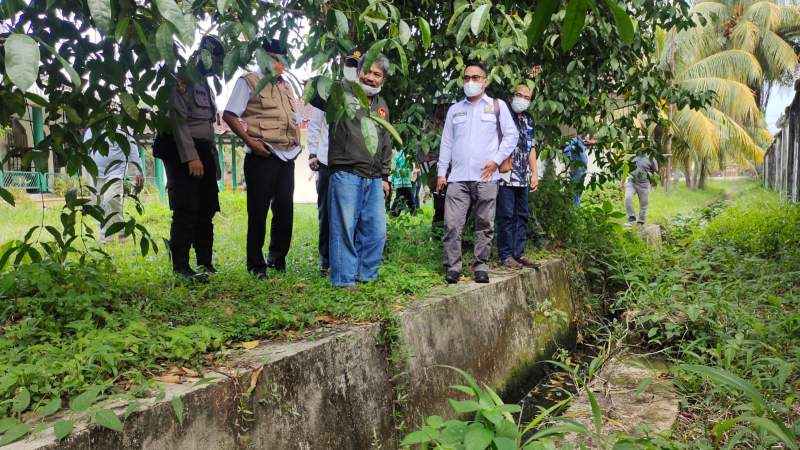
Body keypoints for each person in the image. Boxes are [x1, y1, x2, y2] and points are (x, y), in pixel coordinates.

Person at [222, 38, 301, 277]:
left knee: (285, 211)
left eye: (282, 60)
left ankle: (277, 259)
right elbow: (229, 114)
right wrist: (251, 143)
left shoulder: (286, 85)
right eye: (273, 58)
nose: (278, 64)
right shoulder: (249, 81)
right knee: (258, 212)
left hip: (286, 157)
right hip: (262, 156)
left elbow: (293, 119)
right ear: (262, 57)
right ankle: (256, 265)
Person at [437, 61, 519, 284]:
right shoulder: (455, 110)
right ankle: (453, 267)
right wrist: (442, 173)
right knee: (452, 224)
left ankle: (480, 266)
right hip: (458, 178)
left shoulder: (496, 105)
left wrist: (496, 160)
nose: (470, 82)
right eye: (466, 78)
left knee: (485, 224)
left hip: (486, 177)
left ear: (485, 81)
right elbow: (446, 142)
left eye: (475, 77)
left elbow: (512, 136)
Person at [317, 54, 393, 288]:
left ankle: (365, 275)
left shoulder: (381, 106)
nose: (370, 78)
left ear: (383, 80)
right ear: (358, 72)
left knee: (377, 231)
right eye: (367, 72)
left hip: (373, 177)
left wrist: (385, 176)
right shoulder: (342, 94)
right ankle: (343, 280)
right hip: (346, 173)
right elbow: (315, 92)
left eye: (377, 74)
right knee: (344, 229)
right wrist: (345, 76)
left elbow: (386, 141)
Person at [155, 35, 225, 281]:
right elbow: (178, 121)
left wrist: (212, 161)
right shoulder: (181, 79)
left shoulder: (205, 84)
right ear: (202, 56)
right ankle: (181, 268)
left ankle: (205, 263)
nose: (216, 65)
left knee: (207, 207)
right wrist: (191, 158)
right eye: (214, 60)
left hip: (202, 150)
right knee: (186, 208)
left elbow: (207, 126)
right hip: (180, 151)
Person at [308, 54, 359, 276]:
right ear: (340, 67)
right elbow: (315, 124)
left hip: (352, 165)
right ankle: (326, 260)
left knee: (351, 215)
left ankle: (349, 260)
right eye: (347, 65)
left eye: (354, 67)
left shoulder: (362, 95)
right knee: (327, 214)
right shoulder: (328, 91)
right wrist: (312, 152)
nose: (350, 70)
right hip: (328, 163)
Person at [496, 84, 540, 269]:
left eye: (526, 97)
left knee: (521, 215)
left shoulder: (529, 119)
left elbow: (531, 147)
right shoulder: (504, 116)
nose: (521, 99)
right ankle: (505, 255)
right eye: (519, 95)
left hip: (523, 176)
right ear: (511, 96)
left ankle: (518, 253)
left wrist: (535, 173)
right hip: (505, 175)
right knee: (506, 215)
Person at [84, 128, 143, 244]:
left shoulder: (122, 128)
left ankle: (119, 231)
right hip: (95, 172)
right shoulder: (91, 130)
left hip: (115, 171)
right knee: (99, 204)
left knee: (111, 199)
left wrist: (138, 171)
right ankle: (106, 238)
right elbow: (87, 149)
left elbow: (133, 149)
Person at [623, 154, 659, 225]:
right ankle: (631, 216)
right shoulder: (632, 157)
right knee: (628, 197)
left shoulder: (651, 158)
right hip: (631, 182)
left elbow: (655, 171)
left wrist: (655, 182)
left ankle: (641, 220)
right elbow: (626, 170)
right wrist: (622, 182)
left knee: (644, 203)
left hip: (644, 184)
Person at [563, 136, 590, 207]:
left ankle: (575, 207)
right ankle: (573, 207)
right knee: (574, 189)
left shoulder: (581, 142)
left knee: (578, 189)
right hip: (578, 169)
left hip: (582, 170)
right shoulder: (576, 140)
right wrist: (570, 158)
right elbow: (566, 148)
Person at [389, 150, 416, 216]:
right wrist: (392, 181)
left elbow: (411, 167)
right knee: (399, 199)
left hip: (407, 183)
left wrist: (411, 177)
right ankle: (393, 214)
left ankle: (413, 215)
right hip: (399, 183)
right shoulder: (397, 156)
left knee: (411, 199)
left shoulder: (409, 155)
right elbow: (393, 169)